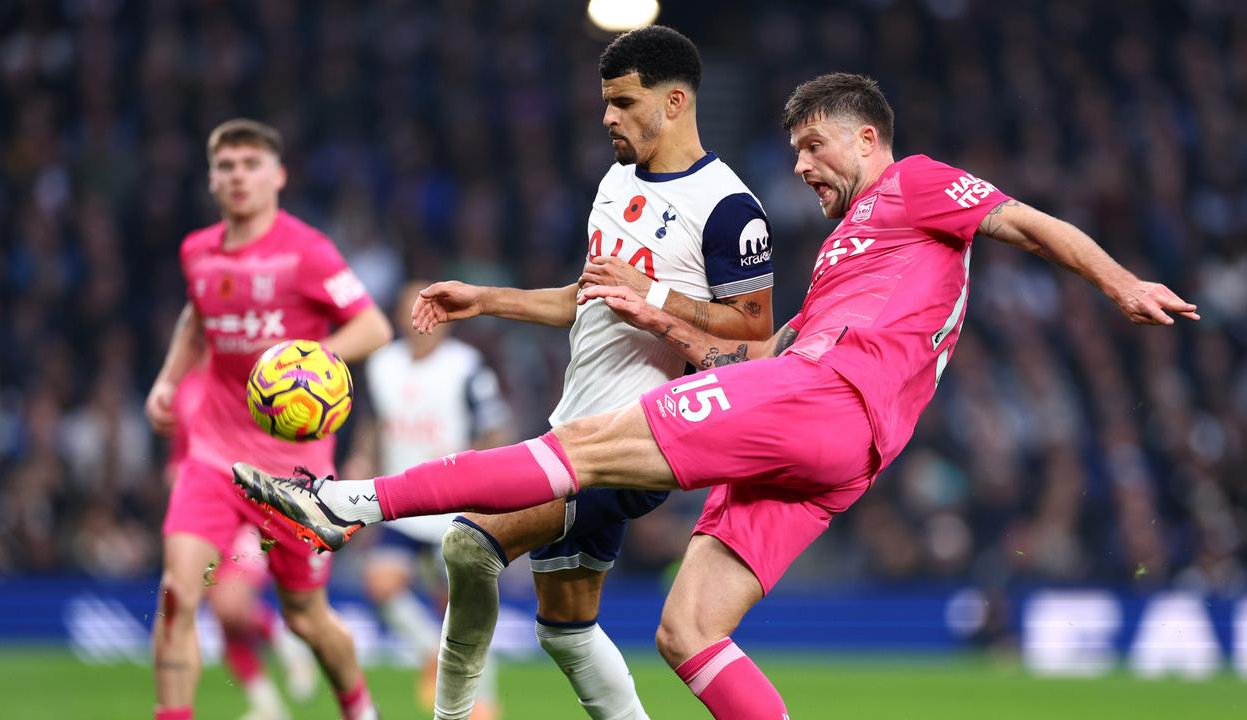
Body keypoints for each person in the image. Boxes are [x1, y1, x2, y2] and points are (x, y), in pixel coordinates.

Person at [234, 72, 1198, 719]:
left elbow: (1027, 223)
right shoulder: (848, 258)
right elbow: (771, 347)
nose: (804, 167)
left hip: (829, 400)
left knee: (584, 446)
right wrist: (692, 338)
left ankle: (339, 505)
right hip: (835, 446)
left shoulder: (912, 185)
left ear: (867, 137)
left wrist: (1120, 284)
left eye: (817, 147)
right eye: (795, 155)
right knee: (686, 631)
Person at [404, 25, 774, 720]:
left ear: (673, 103)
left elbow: (752, 338)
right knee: (565, 629)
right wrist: (483, 299)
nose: (608, 117)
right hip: (574, 426)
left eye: (624, 103)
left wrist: (653, 297)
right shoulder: (615, 181)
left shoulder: (729, 208)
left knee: (469, 543)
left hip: (630, 441)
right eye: (605, 102)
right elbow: (588, 299)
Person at [145, 118, 392, 720]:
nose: (238, 177)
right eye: (226, 166)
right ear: (212, 178)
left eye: (250, 165)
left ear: (277, 176)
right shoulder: (197, 251)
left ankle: (359, 708)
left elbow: (374, 326)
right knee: (179, 595)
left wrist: (306, 364)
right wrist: (169, 379)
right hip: (212, 455)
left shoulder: (306, 251)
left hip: (295, 475)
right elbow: (199, 316)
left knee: (306, 618)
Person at [344, 282, 513, 719]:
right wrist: (354, 478)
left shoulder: (466, 367)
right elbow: (372, 429)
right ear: (400, 317)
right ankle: (429, 653)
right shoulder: (383, 365)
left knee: (463, 609)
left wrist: (488, 491)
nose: (422, 319)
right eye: (412, 309)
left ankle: (485, 703)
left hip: (453, 504)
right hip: (401, 501)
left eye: (431, 310)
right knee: (380, 585)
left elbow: (494, 430)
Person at [164, 365, 319, 720]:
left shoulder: (252, 381)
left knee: (230, 605)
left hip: (246, 506)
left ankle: (285, 640)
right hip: (199, 509)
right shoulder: (185, 389)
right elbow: (180, 454)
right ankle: (268, 706)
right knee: (222, 618)